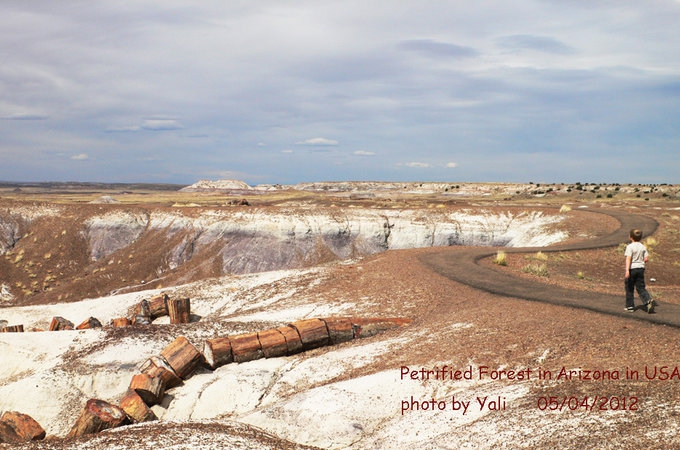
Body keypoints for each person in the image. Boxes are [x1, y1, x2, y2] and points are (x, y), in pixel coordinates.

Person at [624, 228, 654, 313]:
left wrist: (627, 270)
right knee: (641, 287)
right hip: (640, 268)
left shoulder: (629, 247)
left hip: (632, 268)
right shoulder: (642, 246)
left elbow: (628, 259)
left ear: (630, 237)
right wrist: (641, 260)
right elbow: (646, 258)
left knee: (629, 287)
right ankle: (648, 300)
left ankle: (630, 306)